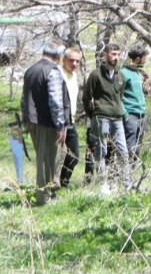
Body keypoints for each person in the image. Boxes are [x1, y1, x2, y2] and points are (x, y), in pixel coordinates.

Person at [20, 39, 71, 206]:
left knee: (54, 157)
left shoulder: (30, 70)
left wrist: (25, 120)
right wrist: (60, 125)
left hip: (32, 120)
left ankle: (51, 190)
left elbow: (23, 99)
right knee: (46, 160)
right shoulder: (53, 71)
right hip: (47, 122)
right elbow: (55, 101)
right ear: (59, 55)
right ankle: (43, 197)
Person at [81, 42, 129, 193]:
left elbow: (119, 96)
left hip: (117, 118)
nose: (116, 58)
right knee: (101, 151)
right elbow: (87, 98)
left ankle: (126, 184)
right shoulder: (96, 75)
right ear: (105, 55)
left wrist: (117, 110)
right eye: (113, 54)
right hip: (101, 117)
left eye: (118, 55)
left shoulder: (120, 75)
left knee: (123, 150)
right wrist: (94, 115)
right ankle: (103, 184)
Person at [58, 46, 84, 188]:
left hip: (71, 121)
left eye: (77, 62)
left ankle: (63, 184)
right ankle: (52, 186)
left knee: (73, 156)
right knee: (56, 157)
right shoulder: (58, 74)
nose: (74, 64)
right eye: (71, 60)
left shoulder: (74, 75)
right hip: (59, 122)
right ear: (63, 59)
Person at [121, 45, 150, 167]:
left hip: (142, 115)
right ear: (138, 58)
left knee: (137, 147)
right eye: (144, 58)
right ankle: (123, 173)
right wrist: (125, 114)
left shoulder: (138, 73)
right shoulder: (123, 73)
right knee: (129, 146)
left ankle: (132, 173)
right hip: (130, 115)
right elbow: (117, 96)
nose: (145, 60)